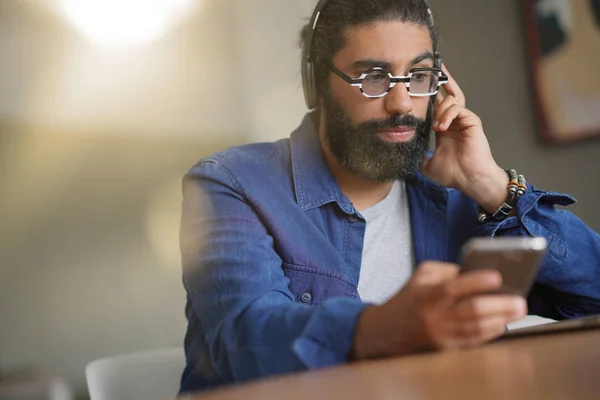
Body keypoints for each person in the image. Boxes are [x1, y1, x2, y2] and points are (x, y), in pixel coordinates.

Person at [179, 0, 600, 394]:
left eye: (418, 77)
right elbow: (244, 341)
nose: (401, 103)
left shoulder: (461, 192)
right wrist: (382, 326)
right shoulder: (231, 184)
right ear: (318, 84)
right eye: (374, 78)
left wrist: (491, 185)